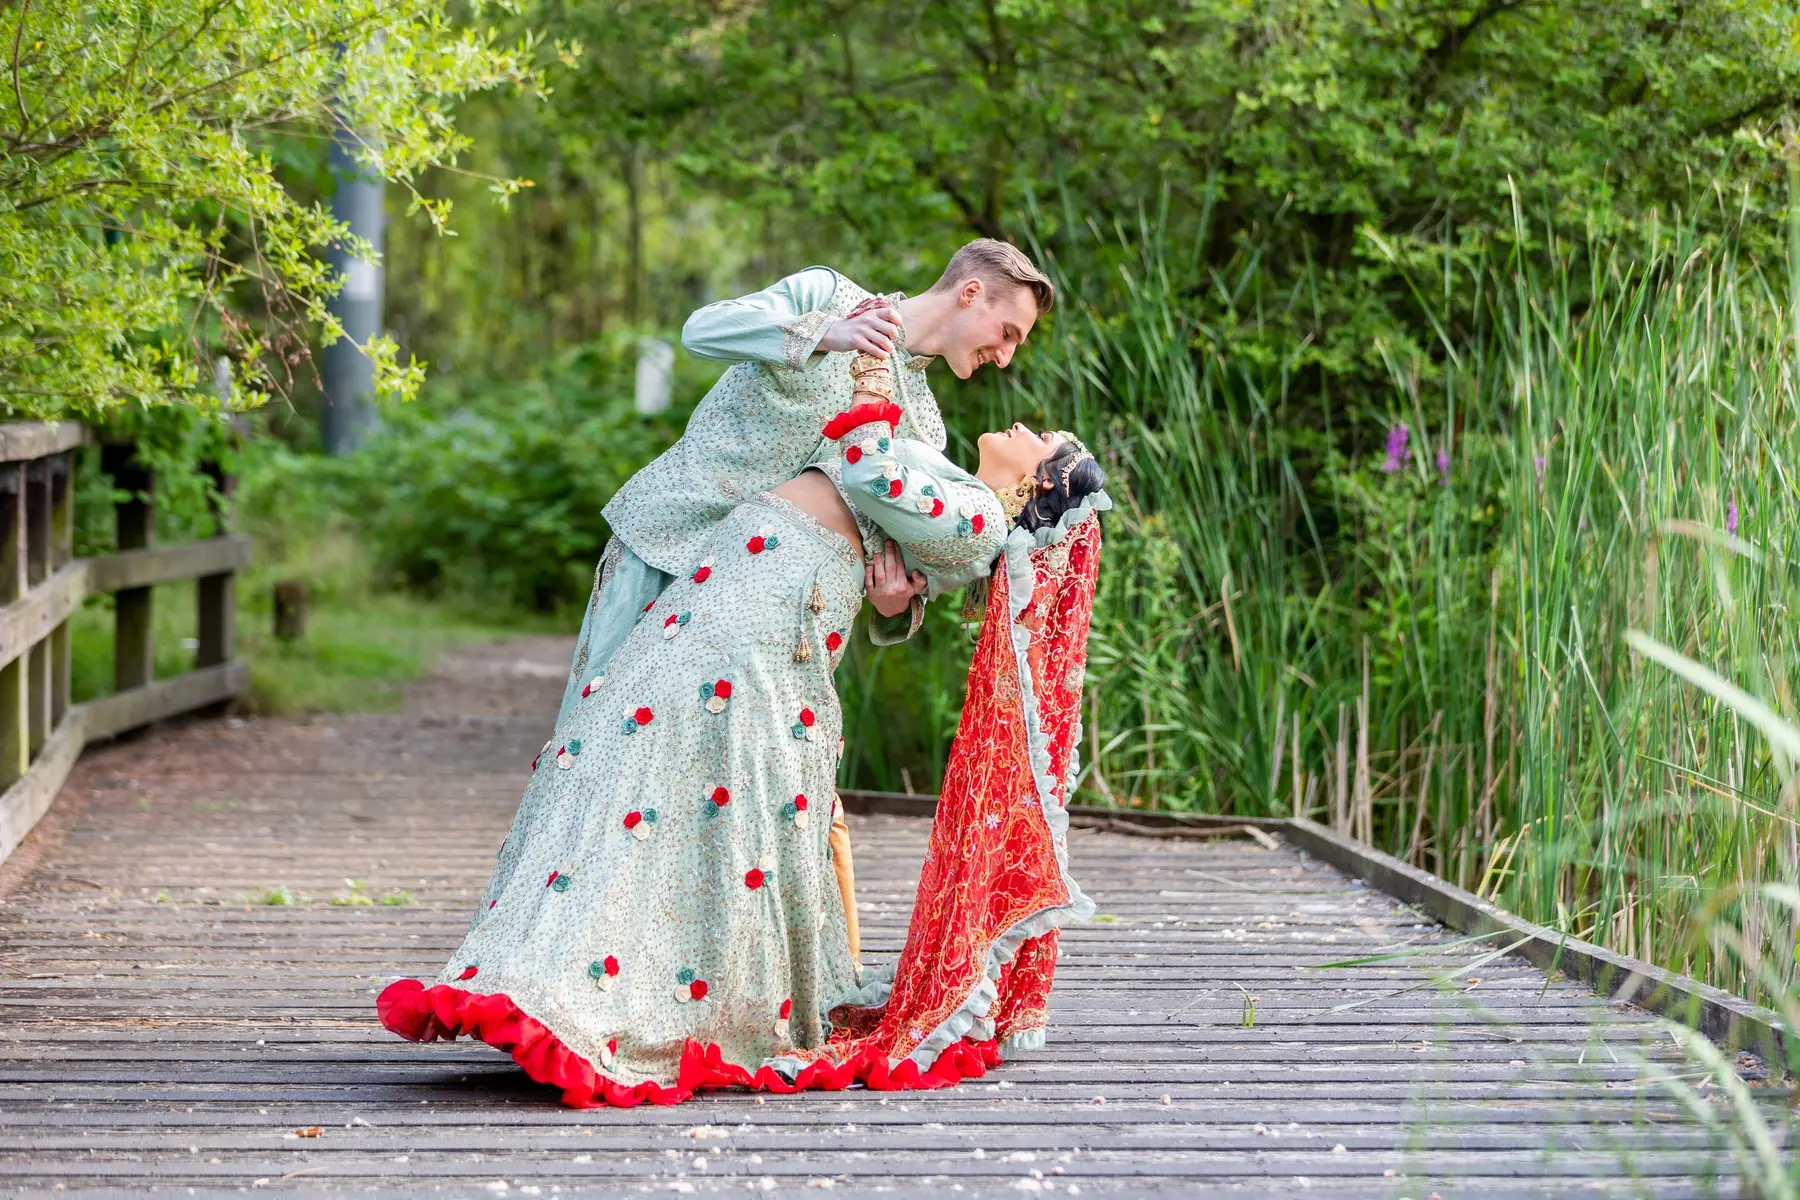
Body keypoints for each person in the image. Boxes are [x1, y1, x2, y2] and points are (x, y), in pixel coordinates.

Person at [377, 352, 1106, 1106]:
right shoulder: (960, 495)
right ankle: (563, 971)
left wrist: (870, 380)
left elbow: (869, 470)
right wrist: (898, 591)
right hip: (744, 584)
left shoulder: (983, 518)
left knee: (681, 781)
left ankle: (608, 995)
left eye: (1044, 440)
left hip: (762, 614)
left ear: (1037, 484)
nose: (1029, 423)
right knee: (642, 769)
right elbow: (890, 538)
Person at [552, 239, 1055, 965]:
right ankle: (552, 971)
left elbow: (893, 549)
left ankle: (647, 978)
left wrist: (898, 604)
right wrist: (830, 333)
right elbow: (702, 330)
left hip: (749, 623)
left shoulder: (925, 428)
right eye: (1007, 334)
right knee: (593, 759)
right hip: (663, 551)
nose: (1006, 357)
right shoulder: (829, 294)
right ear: (970, 294)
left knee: (693, 801)